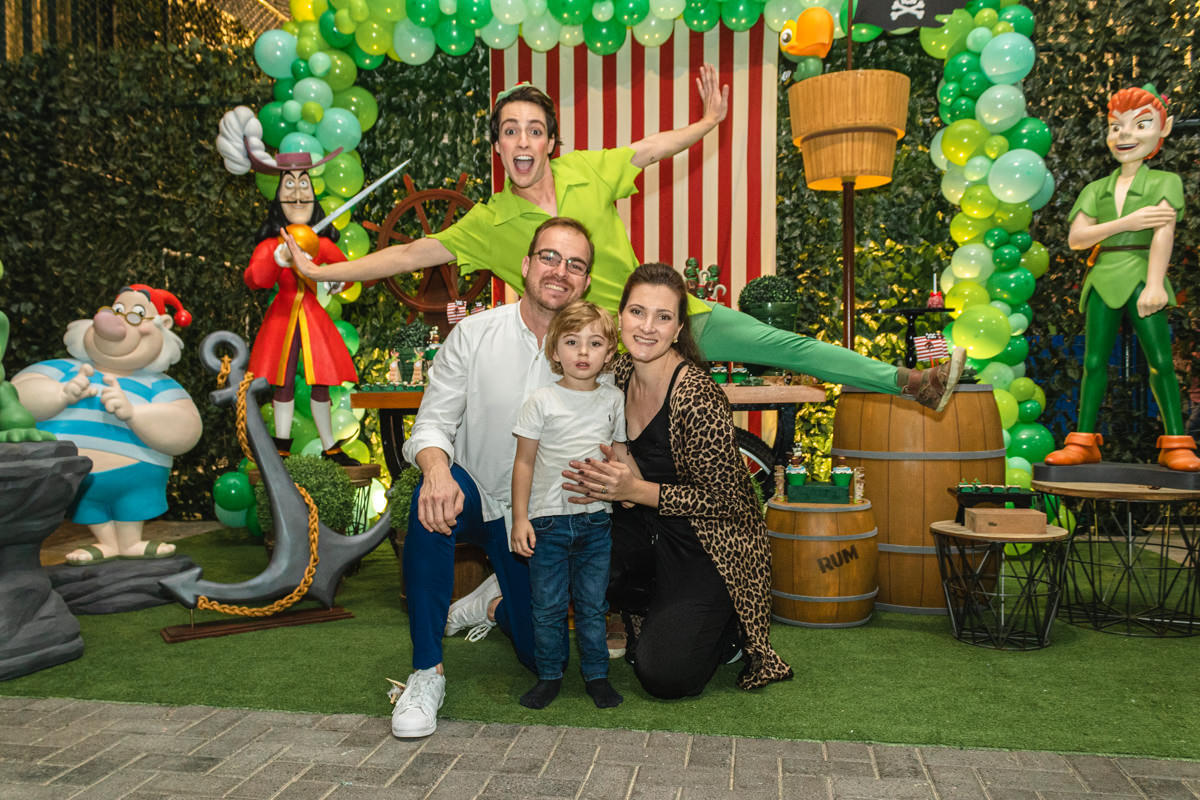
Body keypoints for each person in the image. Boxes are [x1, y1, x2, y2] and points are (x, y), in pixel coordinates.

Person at [286, 67, 964, 413]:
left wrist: (707, 121)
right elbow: (411, 253)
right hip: (602, 354)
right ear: (497, 146)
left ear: (551, 141)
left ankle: (909, 381)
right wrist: (322, 273)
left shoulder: (588, 171)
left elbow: (648, 149)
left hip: (666, 317)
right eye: (509, 130)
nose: (522, 141)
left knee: (783, 346)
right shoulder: (490, 222)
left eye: (533, 129)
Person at [386, 216, 594, 738]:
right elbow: (432, 423)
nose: (560, 271)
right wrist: (435, 471)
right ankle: (425, 672)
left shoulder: (596, 351)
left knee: (542, 656)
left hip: (536, 519)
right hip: (472, 490)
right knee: (430, 502)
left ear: (585, 282)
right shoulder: (474, 335)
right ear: (525, 266)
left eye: (575, 264)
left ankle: (492, 602)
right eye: (549, 257)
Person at [563, 263, 792, 697]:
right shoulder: (621, 375)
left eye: (662, 317)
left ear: (678, 328)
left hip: (709, 543)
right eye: (637, 312)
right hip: (649, 531)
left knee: (664, 677)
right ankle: (658, 610)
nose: (647, 327)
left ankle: (727, 627)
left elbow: (726, 500)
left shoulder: (697, 395)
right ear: (620, 317)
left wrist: (634, 490)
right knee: (580, 552)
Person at [1045, 84, 1200, 471]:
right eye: (1116, 127)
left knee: (1160, 360)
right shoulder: (1096, 189)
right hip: (1103, 275)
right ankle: (1083, 441)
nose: (1125, 135)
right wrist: (1127, 222)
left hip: (1142, 271)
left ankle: (1176, 442)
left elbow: (1164, 232)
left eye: (1140, 125)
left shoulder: (1165, 182)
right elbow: (1077, 239)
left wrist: (1153, 283)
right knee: (1093, 361)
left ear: (1162, 130)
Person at [13, 285, 203, 563]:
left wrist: (134, 414)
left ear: (163, 327)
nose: (118, 323)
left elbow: (186, 428)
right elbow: (17, 396)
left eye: (137, 314)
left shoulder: (159, 385)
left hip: (136, 471)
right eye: (117, 310)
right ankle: (105, 542)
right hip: (73, 476)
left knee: (132, 500)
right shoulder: (64, 370)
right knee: (89, 505)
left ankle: (130, 542)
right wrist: (60, 394)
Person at [511, 299, 627, 710]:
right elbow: (523, 462)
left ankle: (597, 676)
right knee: (547, 607)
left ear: (609, 353)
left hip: (596, 523)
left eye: (595, 343)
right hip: (547, 523)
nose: (583, 352)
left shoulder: (613, 400)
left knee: (594, 607)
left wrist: (626, 488)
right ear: (554, 349)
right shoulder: (541, 400)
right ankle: (549, 676)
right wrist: (520, 518)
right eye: (573, 342)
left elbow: (620, 453)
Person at [244, 151, 360, 465]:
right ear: (278, 196)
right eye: (289, 185)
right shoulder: (270, 245)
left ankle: (330, 447)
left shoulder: (320, 244)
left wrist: (338, 282)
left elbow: (346, 271)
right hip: (281, 319)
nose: (297, 193)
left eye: (304, 184)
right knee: (281, 383)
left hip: (313, 319)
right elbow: (255, 278)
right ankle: (280, 446)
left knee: (321, 381)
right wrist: (278, 259)